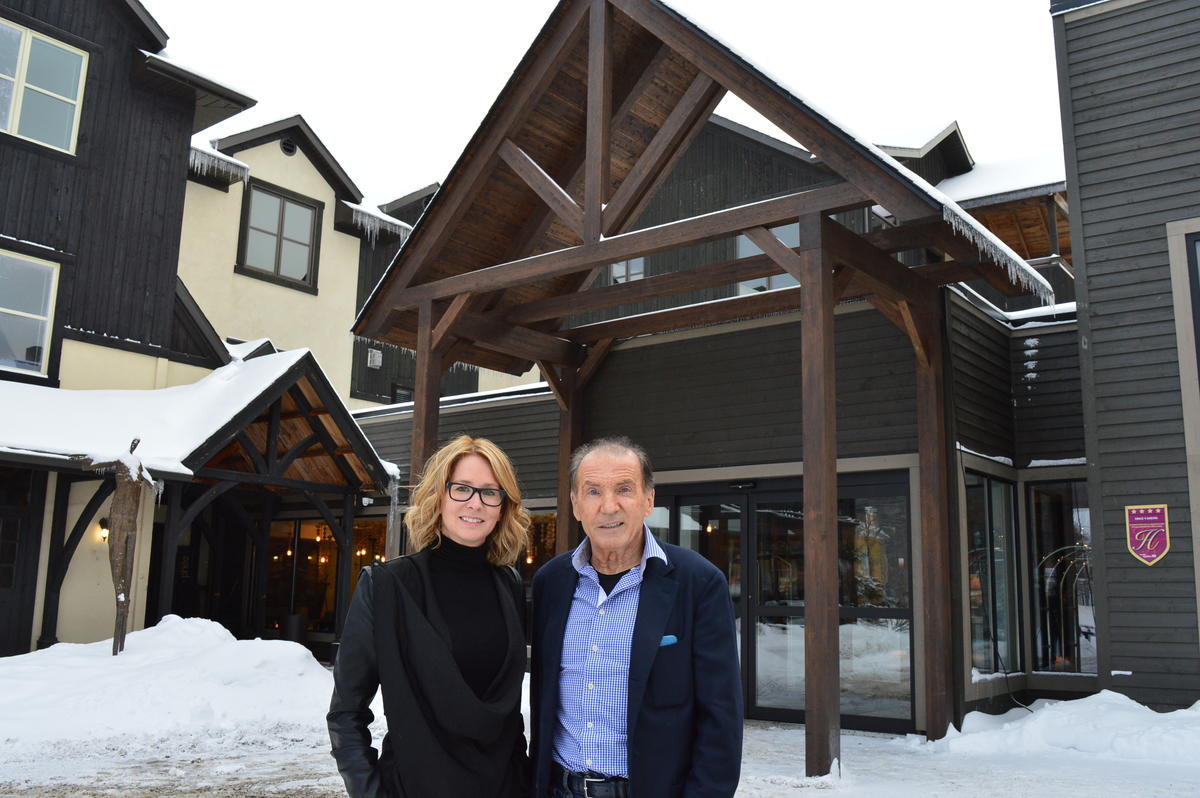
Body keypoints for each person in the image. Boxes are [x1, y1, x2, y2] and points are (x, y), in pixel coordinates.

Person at [531, 436, 743, 797]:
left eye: (624, 489)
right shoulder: (550, 583)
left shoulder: (698, 582)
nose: (608, 506)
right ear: (576, 505)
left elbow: (720, 720)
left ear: (648, 500)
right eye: (593, 491)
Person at [328, 435, 531, 798]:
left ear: (503, 507)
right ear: (438, 496)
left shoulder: (510, 585)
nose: (475, 503)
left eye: (490, 492)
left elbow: (509, 714)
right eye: (462, 488)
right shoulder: (387, 586)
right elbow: (346, 713)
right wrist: (370, 792)